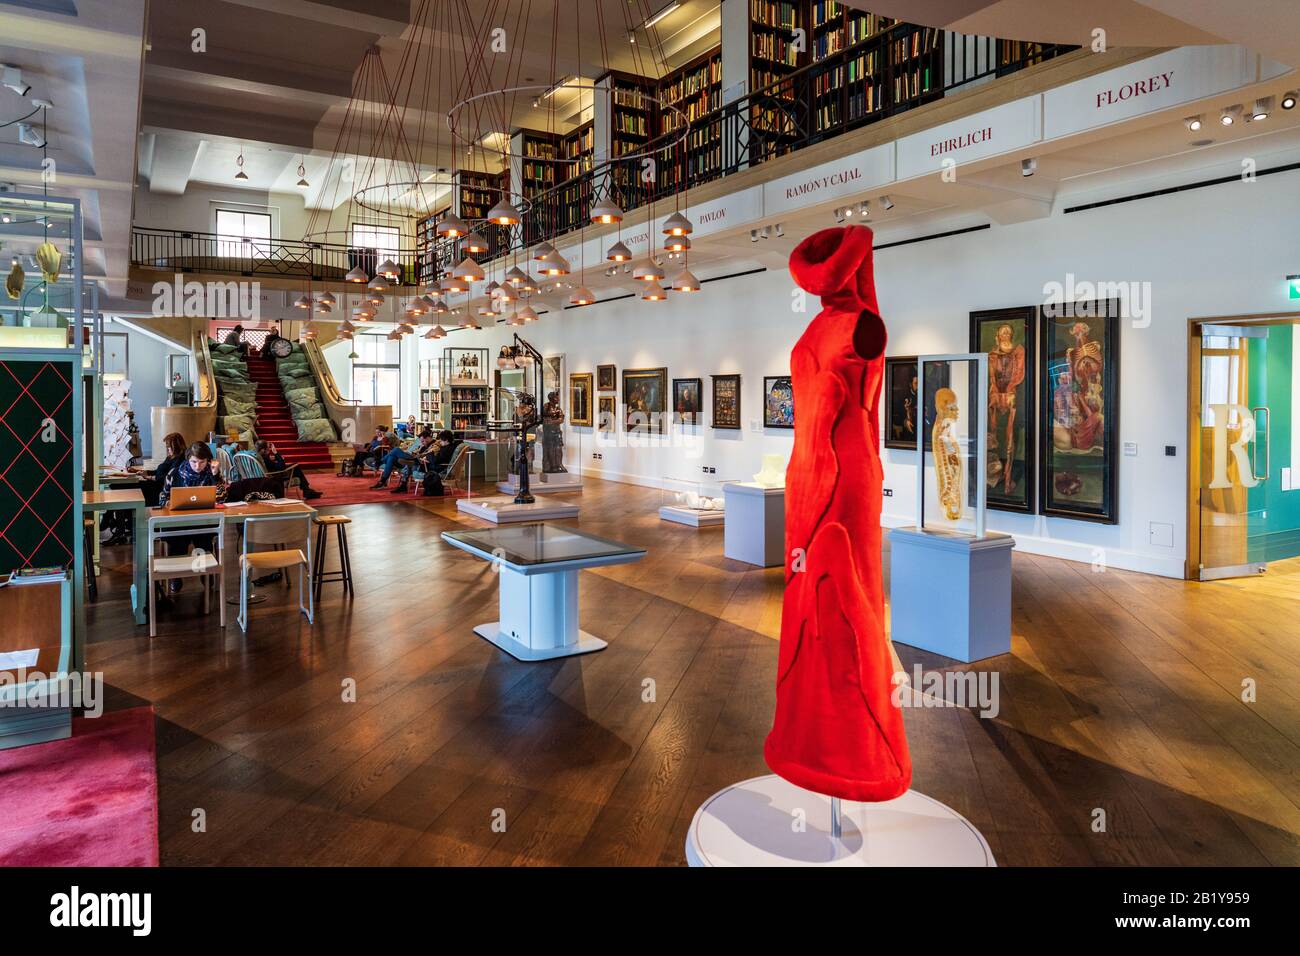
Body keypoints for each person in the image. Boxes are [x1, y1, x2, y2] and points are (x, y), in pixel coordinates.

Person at [157, 441, 227, 593]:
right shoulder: (175, 473)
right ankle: (176, 575)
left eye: (202, 462)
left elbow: (222, 498)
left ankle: (204, 572)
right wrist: (169, 503)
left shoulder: (211, 474)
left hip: (203, 521)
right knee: (177, 541)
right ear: (188, 459)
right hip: (178, 521)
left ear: (208, 460)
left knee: (203, 540)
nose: (197, 466)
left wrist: (215, 475)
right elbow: (162, 497)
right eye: (194, 462)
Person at [370, 428, 435, 493]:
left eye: (423, 441)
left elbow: (426, 456)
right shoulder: (424, 446)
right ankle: (383, 481)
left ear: (428, 438)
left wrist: (417, 454)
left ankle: (380, 462)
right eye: (421, 441)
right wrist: (414, 452)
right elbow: (417, 451)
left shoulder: (434, 445)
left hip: (418, 461)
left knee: (396, 450)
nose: (422, 443)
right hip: (412, 458)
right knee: (391, 458)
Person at [256, 439, 322, 499]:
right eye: (268, 448)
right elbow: (282, 467)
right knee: (296, 467)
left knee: (295, 466)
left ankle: (307, 490)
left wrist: (273, 458)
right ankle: (307, 491)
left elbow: (272, 464)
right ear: (263, 450)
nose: (269, 449)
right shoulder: (265, 459)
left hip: (271, 474)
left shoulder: (259, 456)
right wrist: (276, 453)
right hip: (276, 475)